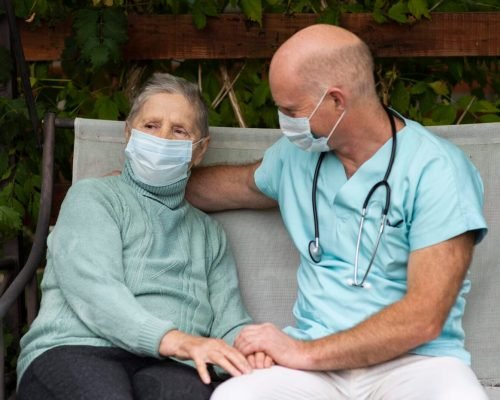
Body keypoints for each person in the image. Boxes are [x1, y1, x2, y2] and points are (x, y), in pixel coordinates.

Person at [185, 25, 489, 399]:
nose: (285, 123)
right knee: (236, 396)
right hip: (313, 371)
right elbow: (237, 186)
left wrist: (300, 352)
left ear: (336, 101)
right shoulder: (296, 157)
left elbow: (423, 318)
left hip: (415, 363)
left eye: (290, 110)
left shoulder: (437, 170)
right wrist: (140, 182)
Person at [16, 73, 255, 400]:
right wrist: (176, 340)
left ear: (199, 151)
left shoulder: (209, 233)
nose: (163, 139)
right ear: (129, 133)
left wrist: (252, 350)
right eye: (151, 126)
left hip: (173, 364)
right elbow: (94, 289)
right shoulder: (93, 197)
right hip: (80, 347)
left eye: (179, 130)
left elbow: (230, 322)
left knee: (184, 394)